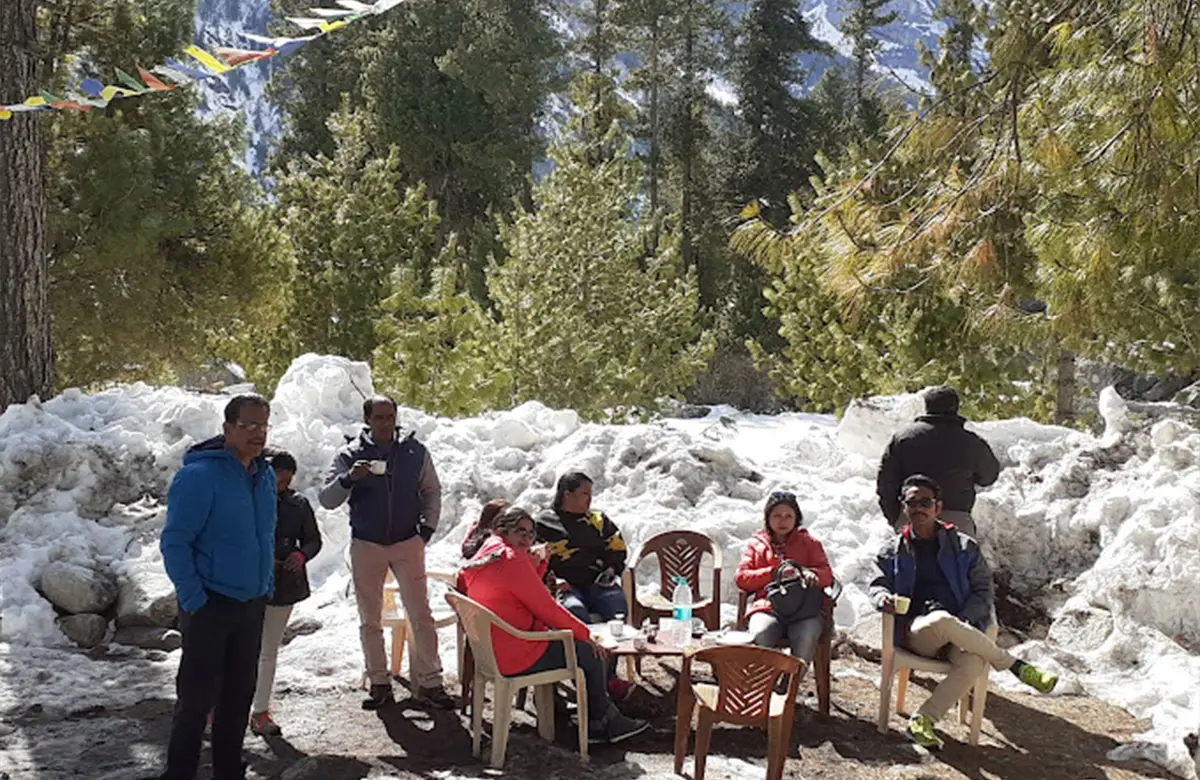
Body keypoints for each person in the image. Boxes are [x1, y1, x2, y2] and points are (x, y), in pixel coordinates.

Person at [870, 474, 1059, 749]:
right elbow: (876, 585)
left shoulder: (964, 547)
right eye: (912, 502)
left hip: (961, 629)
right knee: (942, 620)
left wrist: (964, 622)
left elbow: (983, 593)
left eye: (925, 502)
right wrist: (883, 598)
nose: (918, 508)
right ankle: (1014, 665)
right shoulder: (893, 550)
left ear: (937, 507)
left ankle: (922, 720)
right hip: (918, 632)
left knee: (973, 662)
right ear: (904, 507)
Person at [155, 394, 276, 780]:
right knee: (196, 701)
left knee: (238, 696)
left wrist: (265, 585)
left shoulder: (265, 474)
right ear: (228, 429)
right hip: (210, 604)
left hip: (251, 603)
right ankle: (180, 773)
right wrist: (195, 599)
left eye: (263, 425)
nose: (258, 434)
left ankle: (228, 770)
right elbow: (175, 542)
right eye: (249, 426)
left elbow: (265, 534)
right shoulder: (199, 476)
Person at [459, 506, 649, 745]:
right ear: (502, 530)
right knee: (591, 652)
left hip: (493, 649)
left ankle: (594, 715)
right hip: (518, 652)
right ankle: (602, 721)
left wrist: (540, 564)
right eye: (521, 532)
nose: (527, 540)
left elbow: (524, 589)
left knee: (580, 644)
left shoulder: (490, 550)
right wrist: (588, 635)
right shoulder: (512, 559)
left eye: (530, 534)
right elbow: (547, 609)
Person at [318, 394, 453, 710]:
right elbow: (326, 499)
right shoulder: (349, 455)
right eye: (378, 417)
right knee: (370, 618)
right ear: (367, 420)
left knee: (420, 614)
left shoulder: (414, 452)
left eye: (389, 416)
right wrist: (350, 477)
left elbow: (431, 489)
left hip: (408, 541)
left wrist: (427, 530)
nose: (385, 423)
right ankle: (379, 682)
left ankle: (431, 682)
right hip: (367, 543)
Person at [249, 451, 322, 737]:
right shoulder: (250, 498)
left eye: (286, 481)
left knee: (268, 650)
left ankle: (260, 711)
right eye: (277, 480)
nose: (281, 485)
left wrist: (301, 556)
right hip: (249, 583)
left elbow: (314, 539)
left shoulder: (298, 504)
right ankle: (216, 708)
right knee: (236, 650)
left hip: (284, 585)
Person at [735, 491, 834, 682]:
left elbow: (827, 574)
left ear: (796, 518)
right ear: (768, 518)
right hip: (768, 606)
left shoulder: (810, 543)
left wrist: (809, 573)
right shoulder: (757, 545)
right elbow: (742, 578)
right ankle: (764, 686)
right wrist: (773, 573)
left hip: (804, 609)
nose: (783, 521)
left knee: (807, 634)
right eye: (777, 516)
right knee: (761, 633)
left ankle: (790, 687)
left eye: (789, 516)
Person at [876, 386, 1001, 536]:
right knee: (960, 558)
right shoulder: (972, 442)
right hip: (957, 523)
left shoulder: (902, 439)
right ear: (956, 407)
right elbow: (989, 476)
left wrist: (897, 518)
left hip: (914, 517)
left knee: (910, 559)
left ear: (927, 407)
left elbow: (885, 484)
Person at [536, 472, 628, 623]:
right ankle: (586, 646)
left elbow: (617, 548)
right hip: (564, 585)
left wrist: (611, 569)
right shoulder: (544, 522)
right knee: (574, 611)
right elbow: (532, 558)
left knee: (616, 605)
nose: (590, 499)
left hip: (598, 583)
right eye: (585, 494)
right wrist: (552, 581)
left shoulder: (598, 520)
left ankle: (616, 646)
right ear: (567, 494)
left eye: (591, 494)